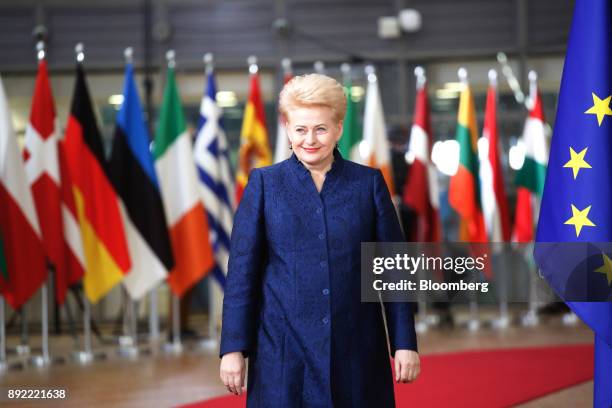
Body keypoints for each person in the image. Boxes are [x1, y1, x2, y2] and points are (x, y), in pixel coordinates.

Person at [219, 73, 420, 407]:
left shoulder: (368, 184)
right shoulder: (264, 185)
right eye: (300, 129)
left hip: (356, 349)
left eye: (321, 129)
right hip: (282, 353)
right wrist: (233, 349)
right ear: (287, 129)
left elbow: (393, 271)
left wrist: (404, 342)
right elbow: (242, 273)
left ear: (338, 128)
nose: (309, 139)